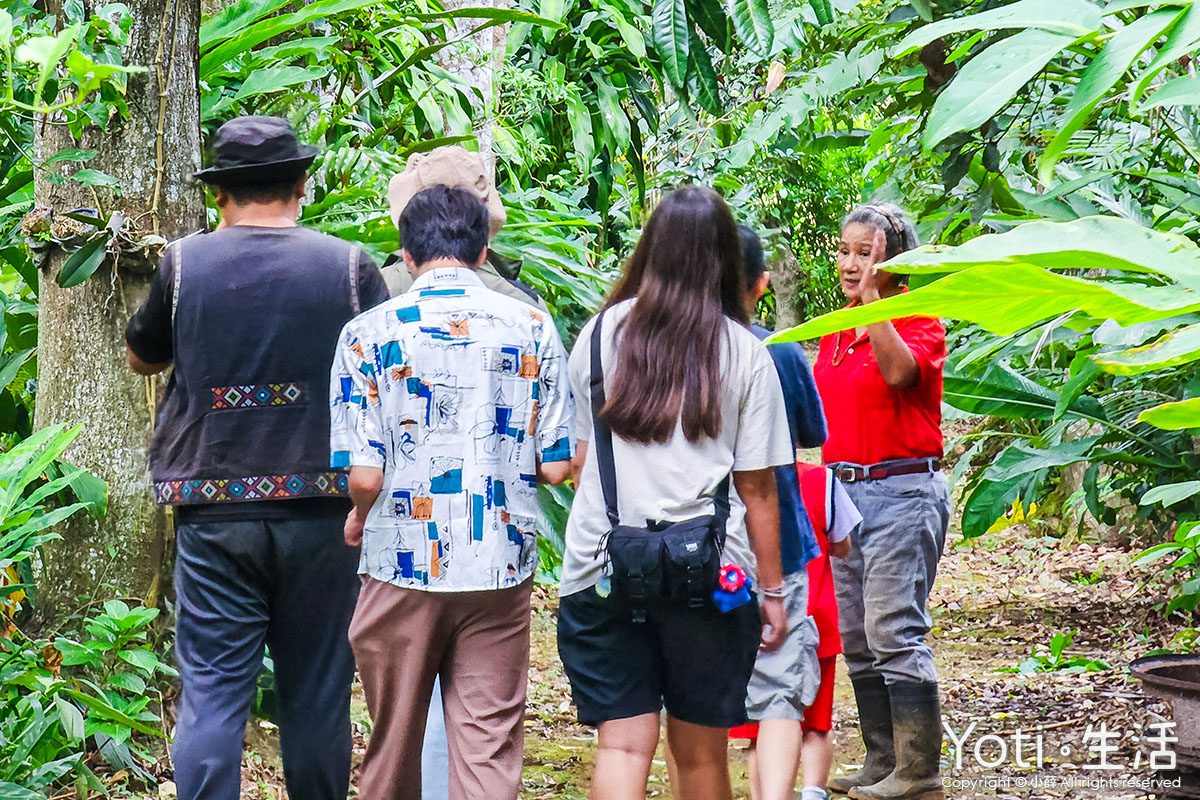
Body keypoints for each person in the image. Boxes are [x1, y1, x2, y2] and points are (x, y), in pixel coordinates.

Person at [124, 116, 389, 800]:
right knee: (319, 691)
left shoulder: (183, 264)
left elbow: (142, 354)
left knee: (212, 690)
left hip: (215, 514)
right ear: (302, 183)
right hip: (327, 515)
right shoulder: (350, 267)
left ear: (220, 194)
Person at [330, 185, 574, 800]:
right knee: (488, 747)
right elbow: (556, 465)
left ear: (406, 256)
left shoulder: (366, 333)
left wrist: (360, 519)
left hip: (398, 562)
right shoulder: (532, 326)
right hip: (499, 563)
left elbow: (364, 476)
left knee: (393, 744)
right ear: (483, 248)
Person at [556, 186, 791, 800]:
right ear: (724, 260)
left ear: (649, 251)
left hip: (602, 567)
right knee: (701, 753)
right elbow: (759, 488)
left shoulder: (599, 336)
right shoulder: (745, 352)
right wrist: (773, 592)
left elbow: (579, 459)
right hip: (717, 577)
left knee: (623, 744)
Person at [382, 144, 553, 800]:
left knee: (414, 692)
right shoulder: (520, 301)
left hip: (400, 526)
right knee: (479, 708)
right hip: (494, 530)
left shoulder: (378, 293)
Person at [814, 203, 950, 800]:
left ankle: (919, 772)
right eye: (845, 251)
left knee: (894, 627)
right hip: (843, 491)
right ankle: (882, 759)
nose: (849, 264)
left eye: (864, 254)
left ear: (896, 263)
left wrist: (875, 307)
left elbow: (899, 376)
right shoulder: (836, 327)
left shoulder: (919, 320)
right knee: (858, 633)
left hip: (902, 489)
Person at [724, 226, 843, 800]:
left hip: (699, 544)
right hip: (779, 544)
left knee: (695, 692)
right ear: (761, 284)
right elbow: (812, 433)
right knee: (777, 692)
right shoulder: (780, 350)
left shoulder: (666, 346)